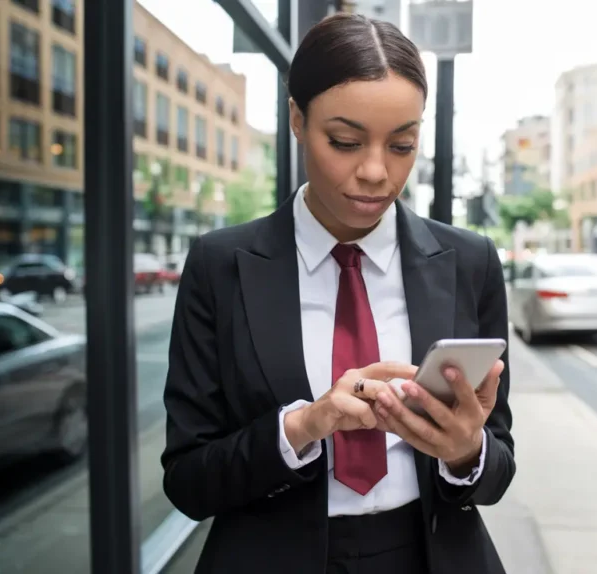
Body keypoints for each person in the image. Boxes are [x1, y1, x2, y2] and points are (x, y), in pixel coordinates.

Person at [161, 12, 514, 574]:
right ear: (298, 119)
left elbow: (498, 467)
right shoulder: (220, 265)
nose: (376, 171)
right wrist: (303, 428)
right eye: (345, 141)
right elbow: (187, 481)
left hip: (430, 554)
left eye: (402, 145)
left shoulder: (469, 262)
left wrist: (465, 452)